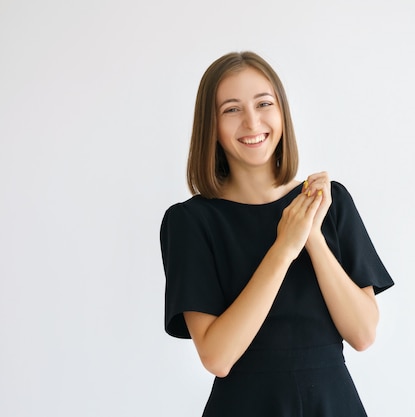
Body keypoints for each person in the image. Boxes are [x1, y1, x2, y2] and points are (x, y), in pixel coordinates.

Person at [160, 51, 394, 416]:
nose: (252, 122)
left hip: (333, 404)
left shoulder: (330, 202)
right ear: (212, 126)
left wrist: (311, 234)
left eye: (263, 103)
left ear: (282, 112)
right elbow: (217, 357)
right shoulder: (191, 222)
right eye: (232, 109)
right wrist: (283, 248)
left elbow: (363, 333)